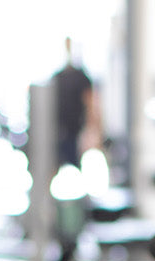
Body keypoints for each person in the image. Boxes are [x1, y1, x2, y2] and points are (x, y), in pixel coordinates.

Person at [52, 38, 99, 169]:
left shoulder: (81, 77)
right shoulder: (57, 77)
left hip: (76, 131)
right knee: (55, 165)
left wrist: (92, 129)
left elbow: (90, 104)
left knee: (78, 164)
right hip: (59, 130)